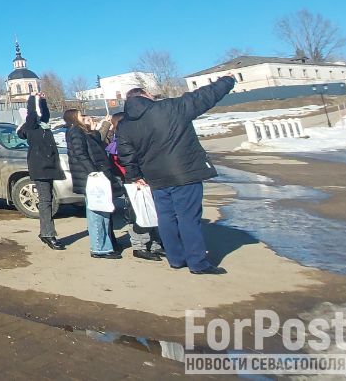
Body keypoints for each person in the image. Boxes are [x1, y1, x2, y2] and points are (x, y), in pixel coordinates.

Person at [117, 77, 236, 275]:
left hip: (155, 177)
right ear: (145, 95)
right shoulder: (170, 108)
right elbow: (203, 96)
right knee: (188, 217)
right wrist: (227, 81)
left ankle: (176, 258)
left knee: (166, 218)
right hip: (184, 172)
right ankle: (197, 262)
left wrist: (134, 175)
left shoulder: (124, 125)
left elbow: (125, 153)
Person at [106, 112, 164, 261]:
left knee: (151, 211)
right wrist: (134, 177)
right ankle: (140, 246)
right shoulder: (118, 143)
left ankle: (156, 243)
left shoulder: (128, 139)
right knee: (137, 214)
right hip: (132, 183)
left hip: (142, 180)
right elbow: (123, 164)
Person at [64, 108, 119, 259]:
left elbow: (97, 137)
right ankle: (99, 248)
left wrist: (104, 124)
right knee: (96, 213)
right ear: (74, 117)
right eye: (81, 116)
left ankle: (105, 245)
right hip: (92, 177)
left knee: (102, 212)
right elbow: (80, 153)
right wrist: (93, 172)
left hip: (94, 174)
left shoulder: (82, 132)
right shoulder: (75, 131)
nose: (84, 118)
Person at [16, 94, 64, 250]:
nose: (39, 117)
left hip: (49, 166)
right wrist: (32, 99)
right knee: (45, 201)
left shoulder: (43, 126)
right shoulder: (30, 127)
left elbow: (45, 115)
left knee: (48, 200)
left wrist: (42, 100)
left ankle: (46, 232)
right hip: (39, 167)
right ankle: (48, 234)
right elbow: (32, 116)